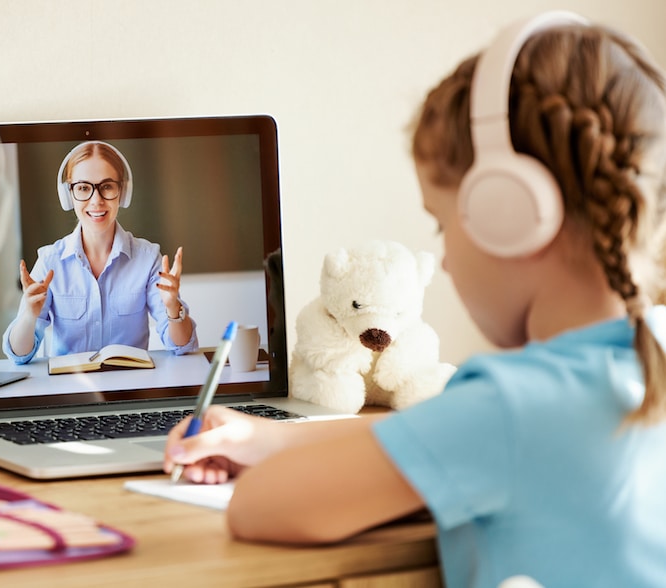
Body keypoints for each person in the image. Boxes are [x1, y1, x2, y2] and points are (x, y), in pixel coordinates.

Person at [164, 14, 666, 587]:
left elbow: (261, 508)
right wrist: (268, 437)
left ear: (511, 214)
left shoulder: (514, 408)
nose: (445, 261)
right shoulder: (637, 360)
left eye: (441, 223)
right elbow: (443, 429)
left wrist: (269, 461)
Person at [2, 140, 198, 363]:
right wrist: (28, 316)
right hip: (71, 392)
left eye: (106, 186)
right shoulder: (50, 261)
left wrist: (173, 308)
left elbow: (183, 347)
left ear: (122, 192)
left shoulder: (147, 258)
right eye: (84, 188)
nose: (96, 201)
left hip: (130, 389)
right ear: (68, 195)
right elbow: (18, 356)